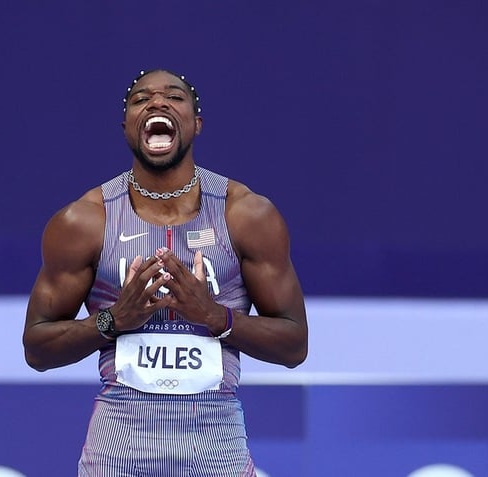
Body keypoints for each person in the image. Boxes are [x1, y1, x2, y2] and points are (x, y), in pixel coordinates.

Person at [23, 69, 308, 477]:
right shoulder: (84, 221)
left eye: (174, 96)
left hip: (218, 457)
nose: (157, 103)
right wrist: (111, 321)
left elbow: (294, 344)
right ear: (126, 129)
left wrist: (217, 318)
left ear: (196, 124)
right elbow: (36, 348)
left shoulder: (245, 215)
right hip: (115, 459)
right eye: (140, 100)